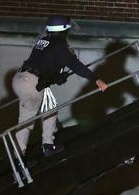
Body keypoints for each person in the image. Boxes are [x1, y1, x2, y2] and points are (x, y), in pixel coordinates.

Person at [12, 15, 108, 156]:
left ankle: (48, 145)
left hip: (21, 78)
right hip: (31, 83)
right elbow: (76, 65)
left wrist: (57, 77)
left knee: (50, 108)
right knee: (26, 121)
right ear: (63, 31)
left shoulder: (43, 41)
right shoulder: (60, 46)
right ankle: (19, 157)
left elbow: (45, 65)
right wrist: (96, 79)